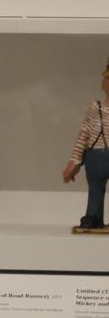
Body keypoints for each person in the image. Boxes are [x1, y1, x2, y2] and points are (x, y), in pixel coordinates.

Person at [62, 61, 109, 234]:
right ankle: (94, 218)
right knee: (95, 189)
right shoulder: (94, 107)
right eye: (108, 79)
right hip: (95, 157)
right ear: (103, 82)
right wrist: (74, 162)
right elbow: (84, 135)